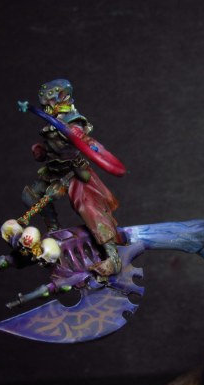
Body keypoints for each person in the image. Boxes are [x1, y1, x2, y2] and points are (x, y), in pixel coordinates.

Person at [21, 79, 122, 276]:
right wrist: (41, 151)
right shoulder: (53, 119)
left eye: (50, 101)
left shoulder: (74, 120)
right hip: (54, 170)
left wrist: (77, 135)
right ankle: (54, 229)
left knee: (90, 210)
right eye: (45, 103)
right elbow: (52, 147)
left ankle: (113, 258)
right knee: (30, 195)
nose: (47, 105)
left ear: (62, 97)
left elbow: (83, 141)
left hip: (74, 172)